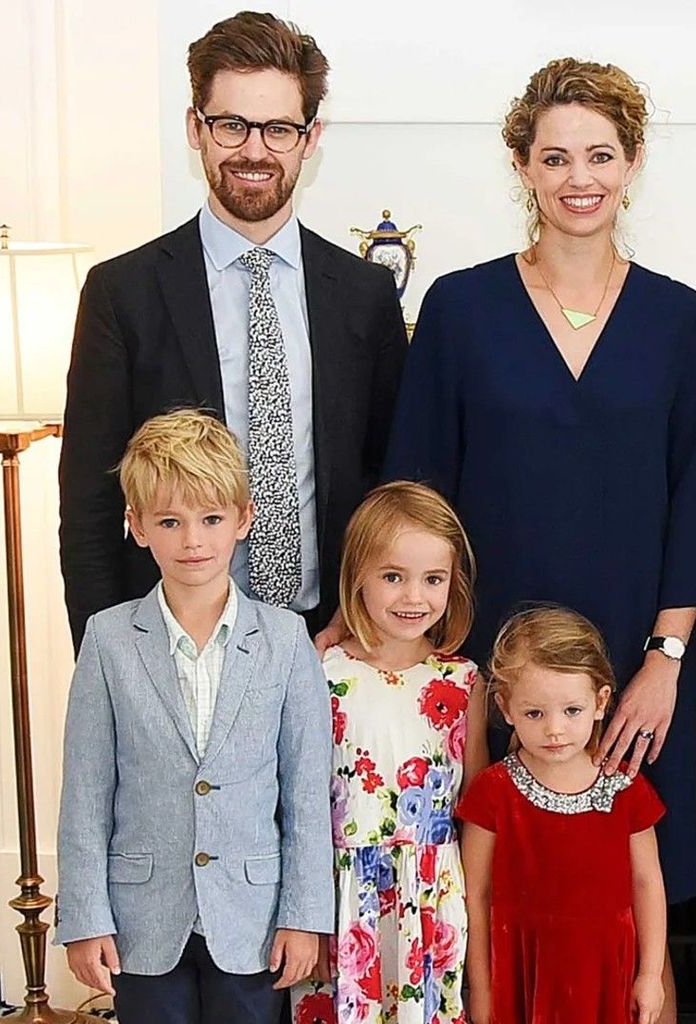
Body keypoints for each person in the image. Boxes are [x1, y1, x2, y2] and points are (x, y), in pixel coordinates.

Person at [382, 59, 696, 1016]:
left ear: (632, 162)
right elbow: (414, 496)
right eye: (554, 157)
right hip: (491, 674)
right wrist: (432, 661)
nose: (578, 178)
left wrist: (665, 660)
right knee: (495, 913)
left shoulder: (681, 318)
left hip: (638, 672)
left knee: (640, 924)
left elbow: (695, 495)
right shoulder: (460, 309)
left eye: (599, 154)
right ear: (522, 166)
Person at [58, 10, 408, 653]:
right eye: (232, 125)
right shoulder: (122, 293)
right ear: (196, 129)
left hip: (330, 638)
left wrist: (364, 620)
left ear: (309, 138)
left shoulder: (365, 295)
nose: (254, 150)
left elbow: (390, 482)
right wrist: (110, 656)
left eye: (278, 129)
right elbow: (88, 505)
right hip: (170, 642)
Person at [55, 409, 334, 1024]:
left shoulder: (286, 640)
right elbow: (86, 793)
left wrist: (305, 915)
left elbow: (308, 794)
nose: (193, 541)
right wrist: (84, 917)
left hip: (253, 918)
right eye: (170, 522)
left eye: (211, 519)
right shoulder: (108, 640)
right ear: (137, 526)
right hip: (142, 920)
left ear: (243, 519)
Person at [292, 481, 488, 1024]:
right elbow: (299, 799)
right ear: (357, 576)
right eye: (393, 577)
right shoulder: (322, 671)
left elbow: (476, 805)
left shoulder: (463, 681)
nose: (413, 597)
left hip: (431, 899)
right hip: (341, 899)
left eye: (433, 579)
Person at [458, 606, 667, 1024]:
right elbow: (475, 894)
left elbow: (647, 883)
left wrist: (650, 975)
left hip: (606, 976)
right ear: (506, 708)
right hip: (521, 975)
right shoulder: (492, 793)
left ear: (600, 702)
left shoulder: (626, 790)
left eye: (571, 710)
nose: (554, 729)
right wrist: (480, 987)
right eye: (534, 713)